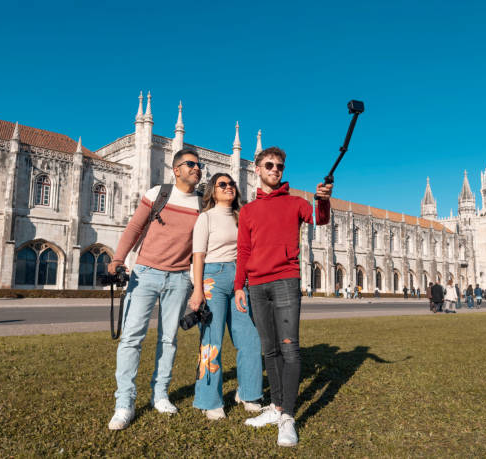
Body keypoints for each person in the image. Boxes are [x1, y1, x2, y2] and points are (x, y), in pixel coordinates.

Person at [234, 146, 332, 447]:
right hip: (257, 285)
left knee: (289, 349)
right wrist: (240, 285)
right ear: (258, 170)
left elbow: (320, 219)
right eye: (269, 165)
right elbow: (244, 251)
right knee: (270, 350)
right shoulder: (248, 211)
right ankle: (276, 408)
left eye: (279, 166)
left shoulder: (296, 203)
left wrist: (323, 200)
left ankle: (288, 417)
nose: (275, 170)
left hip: (285, 281)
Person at [107, 148, 203, 431]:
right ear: (176, 169)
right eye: (191, 164)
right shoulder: (158, 193)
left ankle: (160, 394)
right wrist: (117, 259)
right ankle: (124, 402)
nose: (197, 169)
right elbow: (134, 227)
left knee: (169, 339)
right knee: (131, 338)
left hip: (179, 279)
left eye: (199, 165)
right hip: (145, 273)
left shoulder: (202, 203)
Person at [189, 173, 263, 420]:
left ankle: (249, 393)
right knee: (212, 339)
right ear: (212, 190)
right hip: (213, 276)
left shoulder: (242, 217)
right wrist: (198, 289)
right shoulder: (205, 218)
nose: (229, 187)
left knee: (250, 338)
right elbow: (198, 255)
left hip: (239, 279)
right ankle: (209, 400)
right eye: (222, 184)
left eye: (231, 184)